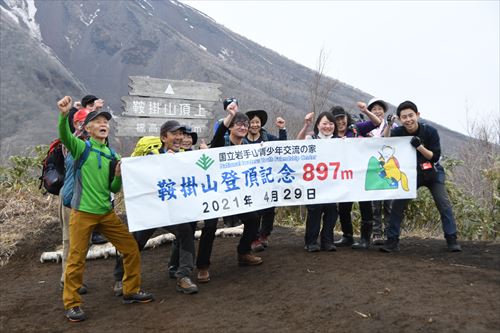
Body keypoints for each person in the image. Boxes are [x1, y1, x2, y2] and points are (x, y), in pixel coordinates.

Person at [57, 96, 153, 322]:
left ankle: (131, 290)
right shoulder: (82, 148)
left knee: (130, 248)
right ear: (88, 128)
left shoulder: (112, 155)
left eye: (106, 122)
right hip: (82, 213)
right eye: (98, 121)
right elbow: (64, 136)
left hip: (106, 213)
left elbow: (113, 188)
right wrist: (63, 116)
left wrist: (118, 177)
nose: (103, 124)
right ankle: (72, 304)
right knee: (77, 258)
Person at [114, 120, 199, 295]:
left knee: (186, 234)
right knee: (135, 243)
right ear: (163, 137)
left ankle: (183, 275)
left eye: (181, 134)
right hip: (149, 210)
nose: (179, 138)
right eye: (174, 134)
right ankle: (119, 278)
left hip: (173, 211)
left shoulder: (184, 157)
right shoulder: (150, 156)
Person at [195, 98, 263, 283]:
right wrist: (230, 116)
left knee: (253, 219)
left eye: (246, 125)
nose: (243, 127)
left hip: (238, 193)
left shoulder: (249, 148)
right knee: (209, 227)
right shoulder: (222, 144)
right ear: (231, 127)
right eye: (239, 124)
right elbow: (216, 139)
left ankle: (244, 253)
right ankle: (202, 266)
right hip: (216, 193)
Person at [381, 101, 462, 253]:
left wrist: (419, 146)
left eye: (411, 115)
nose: (408, 119)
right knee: (398, 204)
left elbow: (434, 156)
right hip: (412, 174)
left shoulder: (430, 132)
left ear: (417, 115)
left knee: (443, 204)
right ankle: (392, 241)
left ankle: (452, 240)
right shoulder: (399, 132)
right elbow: (386, 142)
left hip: (433, 172)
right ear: (399, 119)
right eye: (404, 117)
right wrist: (389, 125)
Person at [331, 104, 381, 249]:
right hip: (343, 176)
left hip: (361, 173)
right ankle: (347, 236)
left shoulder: (356, 128)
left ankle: (365, 239)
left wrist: (365, 111)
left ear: (346, 117)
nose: (340, 122)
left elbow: (376, 122)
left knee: (365, 205)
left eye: (342, 118)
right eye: (337, 120)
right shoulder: (330, 135)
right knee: (344, 207)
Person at [245, 109, 287, 251]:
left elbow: (282, 146)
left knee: (269, 210)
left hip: (267, 179)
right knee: (254, 212)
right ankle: (254, 239)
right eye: (252, 122)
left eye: (257, 122)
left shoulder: (267, 137)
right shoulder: (242, 140)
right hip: (249, 181)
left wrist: (282, 129)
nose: (255, 125)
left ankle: (264, 235)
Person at [58, 108, 90, 294]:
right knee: (70, 240)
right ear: (78, 124)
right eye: (87, 121)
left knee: (80, 240)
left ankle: (71, 278)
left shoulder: (89, 142)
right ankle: (67, 280)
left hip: (82, 197)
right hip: (72, 198)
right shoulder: (74, 142)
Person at [298, 111, 338, 252]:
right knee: (314, 211)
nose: (328, 126)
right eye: (324, 123)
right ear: (318, 125)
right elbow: (297, 144)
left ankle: (327, 241)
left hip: (332, 184)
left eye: (331, 123)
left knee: (332, 212)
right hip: (314, 184)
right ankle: (311, 242)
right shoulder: (311, 138)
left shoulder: (339, 141)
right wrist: (305, 125)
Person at [365, 98, 397, 245]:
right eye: (374, 109)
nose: (377, 111)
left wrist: (390, 125)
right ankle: (377, 233)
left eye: (380, 109)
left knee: (389, 204)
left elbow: (390, 139)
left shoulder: (393, 125)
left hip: (389, 169)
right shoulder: (366, 127)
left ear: (384, 111)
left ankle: (390, 233)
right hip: (373, 169)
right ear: (370, 111)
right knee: (375, 204)